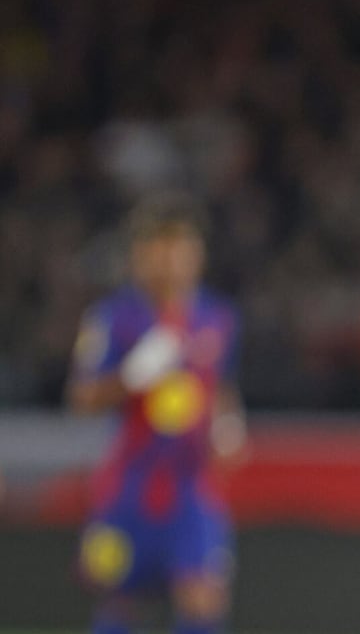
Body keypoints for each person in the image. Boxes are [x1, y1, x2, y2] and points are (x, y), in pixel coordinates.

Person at [67, 193, 245, 634]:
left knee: (203, 599)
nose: (169, 262)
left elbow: (219, 386)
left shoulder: (217, 318)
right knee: (119, 603)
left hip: (192, 486)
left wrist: (230, 426)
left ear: (196, 254)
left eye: (179, 249)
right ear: (139, 255)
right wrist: (131, 376)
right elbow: (82, 398)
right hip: (130, 483)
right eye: (158, 249)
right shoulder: (112, 318)